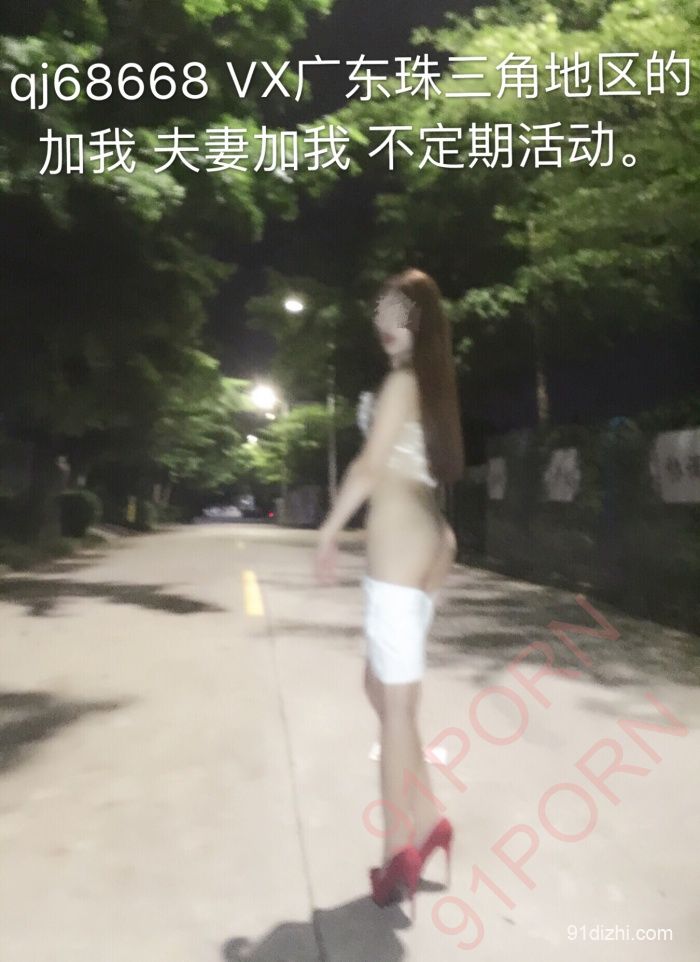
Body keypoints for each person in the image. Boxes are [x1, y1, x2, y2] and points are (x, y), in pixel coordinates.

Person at [314, 267, 465, 921]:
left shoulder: (404, 382)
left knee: (396, 705)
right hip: (429, 543)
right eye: (380, 311)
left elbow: (371, 466)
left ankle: (398, 850)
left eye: (397, 312)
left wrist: (328, 530)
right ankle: (429, 823)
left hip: (401, 553)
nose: (384, 322)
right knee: (381, 689)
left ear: (419, 321)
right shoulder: (428, 384)